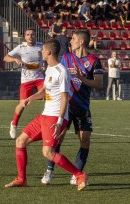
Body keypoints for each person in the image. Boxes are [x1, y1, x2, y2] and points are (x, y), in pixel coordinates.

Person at [4, 39, 88, 191]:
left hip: (55, 117)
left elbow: (64, 98)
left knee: (47, 152)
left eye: (42, 50)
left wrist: (60, 120)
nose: (40, 52)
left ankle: (79, 175)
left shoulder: (61, 71)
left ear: (48, 52)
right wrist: (29, 98)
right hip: (45, 115)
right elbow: (44, 91)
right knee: (20, 141)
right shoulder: (49, 68)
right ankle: (21, 179)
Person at [41, 30, 103, 185]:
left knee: (85, 140)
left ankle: (76, 174)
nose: (71, 41)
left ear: (81, 41)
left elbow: (99, 84)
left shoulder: (94, 60)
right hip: (66, 106)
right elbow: (56, 74)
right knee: (57, 140)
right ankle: (49, 171)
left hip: (83, 107)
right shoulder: (66, 58)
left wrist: (80, 77)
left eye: (74, 39)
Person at [3, 28, 44, 139]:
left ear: (36, 36)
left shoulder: (41, 46)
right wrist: (15, 60)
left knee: (49, 97)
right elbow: (6, 58)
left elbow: (48, 57)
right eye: (28, 35)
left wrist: (46, 66)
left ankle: (47, 123)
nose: (30, 36)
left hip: (40, 78)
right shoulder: (21, 48)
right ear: (25, 37)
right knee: (22, 104)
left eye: (32, 34)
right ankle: (14, 124)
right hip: (26, 81)